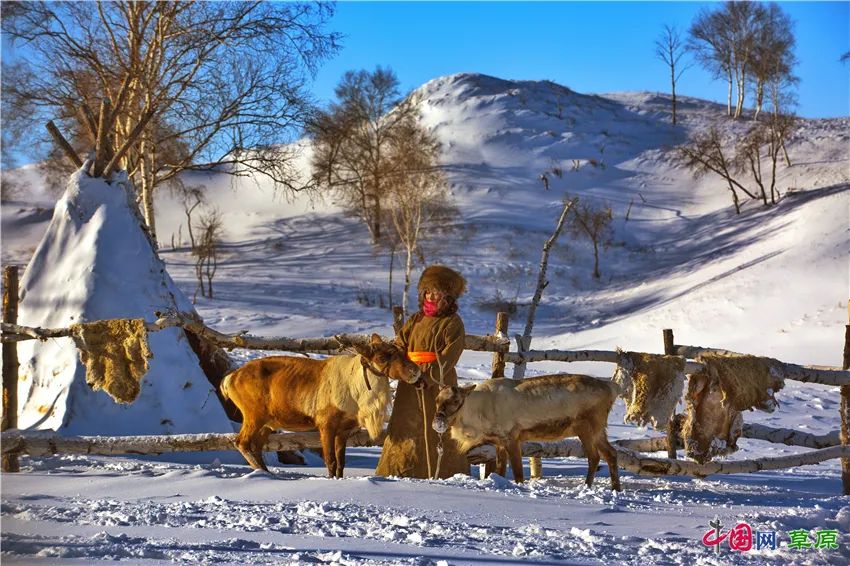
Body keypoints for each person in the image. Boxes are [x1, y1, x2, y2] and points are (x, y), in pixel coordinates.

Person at [375, 265, 470, 479]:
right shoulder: (416, 319)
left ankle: (445, 472)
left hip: (438, 385)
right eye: (427, 291)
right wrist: (401, 366)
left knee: (441, 428)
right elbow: (401, 344)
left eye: (435, 292)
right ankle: (400, 471)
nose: (430, 295)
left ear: (447, 296)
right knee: (405, 427)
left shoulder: (452, 323)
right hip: (409, 381)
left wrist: (428, 376)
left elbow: (450, 355)